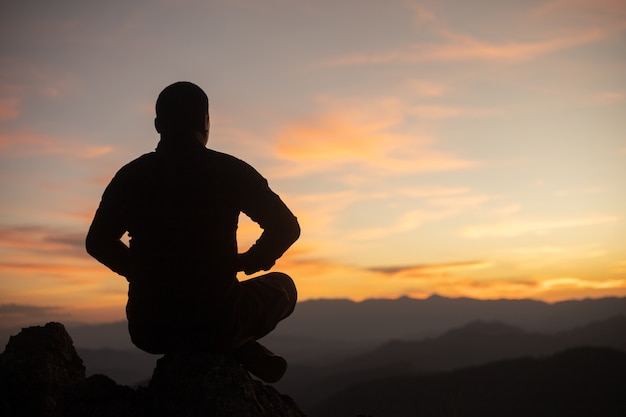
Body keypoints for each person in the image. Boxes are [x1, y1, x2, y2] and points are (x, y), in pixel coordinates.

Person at [86, 81, 300, 383]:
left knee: (207, 323)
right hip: (217, 320)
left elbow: (97, 242)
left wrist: (142, 271)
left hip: (150, 327)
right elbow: (286, 227)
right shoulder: (230, 171)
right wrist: (246, 262)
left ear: (158, 124)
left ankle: (241, 347)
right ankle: (238, 344)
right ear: (205, 121)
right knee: (285, 287)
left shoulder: (131, 175)